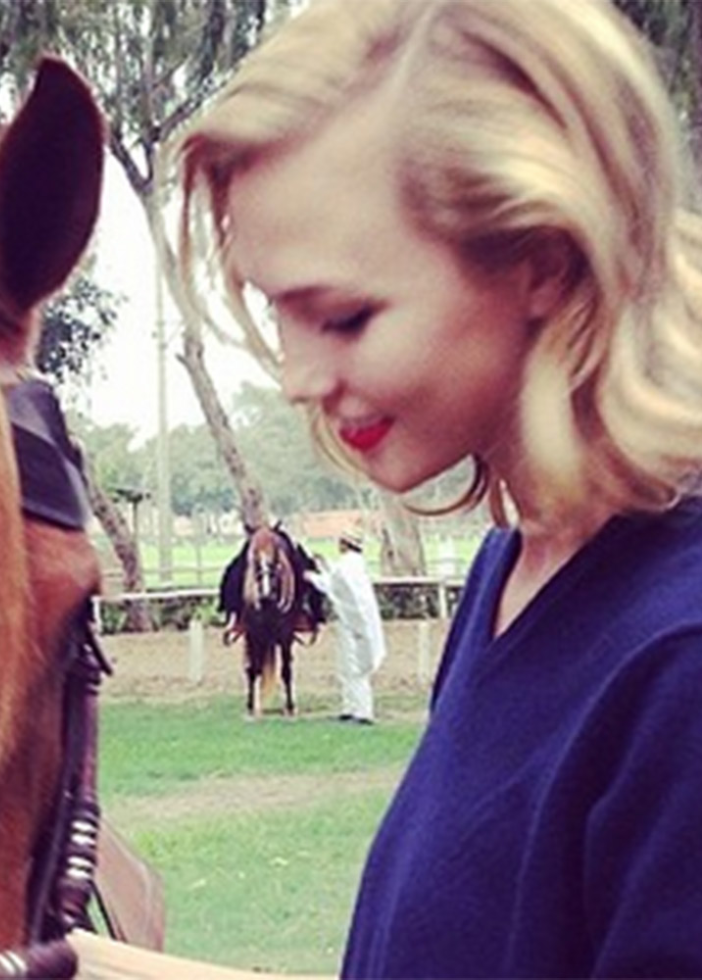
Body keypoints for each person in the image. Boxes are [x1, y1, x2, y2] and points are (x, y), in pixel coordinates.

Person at [73, 0, 702, 976]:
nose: (295, 377)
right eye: (279, 314)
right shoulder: (513, 566)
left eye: (342, 314)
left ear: (540, 257)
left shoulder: (675, 659)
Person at [306, 530, 385, 724]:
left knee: (355, 667)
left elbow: (332, 585)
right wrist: (323, 563)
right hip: (350, 621)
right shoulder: (353, 564)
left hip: (353, 623)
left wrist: (311, 577)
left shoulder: (348, 566)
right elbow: (337, 577)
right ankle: (349, 707)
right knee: (346, 666)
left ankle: (363, 712)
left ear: (344, 544)